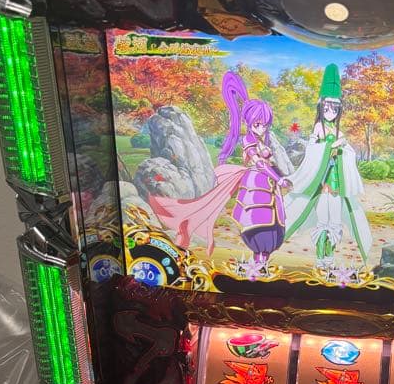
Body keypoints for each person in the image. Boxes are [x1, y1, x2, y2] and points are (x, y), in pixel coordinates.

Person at [148, 71, 290, 268]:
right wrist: (278, 177)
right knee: (259, 223)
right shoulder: (248, 140)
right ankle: (258, 263)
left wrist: (277, 176)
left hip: (268, 186)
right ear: (249, 123)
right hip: (257, 184)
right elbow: (259, 163)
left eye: (265, 125)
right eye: (258, 124)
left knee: (274, 224)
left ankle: (261, 263)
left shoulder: (260, 140)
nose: (262, 128)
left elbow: (268, 161)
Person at [284, 64, 372, 269]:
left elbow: (349, 153)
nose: (330, 112)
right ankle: (320, 259)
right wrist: (330, 147)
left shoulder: (338, 130)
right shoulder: (319, 127)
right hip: (322, 181)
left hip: (336, 182)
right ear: (321, 108)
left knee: (335, 221)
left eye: (334, 109)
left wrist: (342, 147)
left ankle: (329, 259)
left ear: (338, 110)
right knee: (323, 220)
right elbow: (312, 150)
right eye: (326, 108)